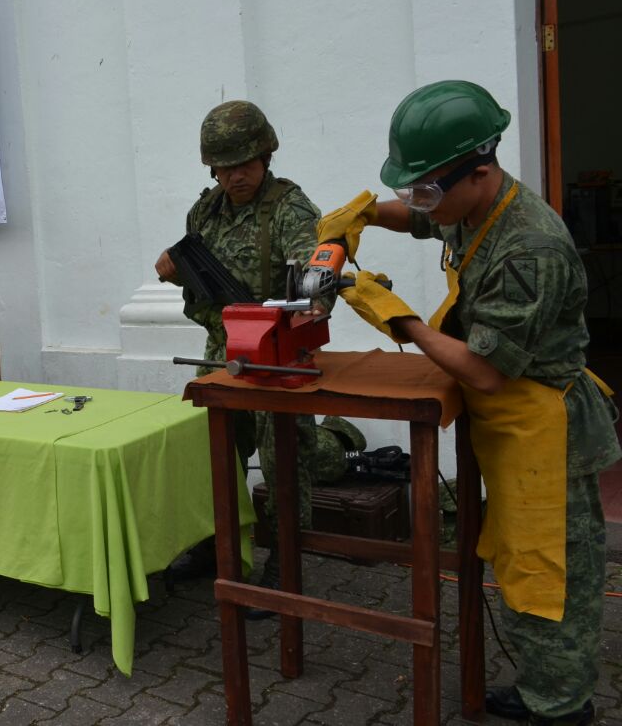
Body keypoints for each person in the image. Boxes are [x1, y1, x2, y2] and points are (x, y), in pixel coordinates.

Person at [325, 80, 618, 726]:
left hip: (544, 423)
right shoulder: (474, 206)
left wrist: (395, 316)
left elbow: (484, 370)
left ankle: (562, 705)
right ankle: (548, 685)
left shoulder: (528, 247)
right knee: (518, 558)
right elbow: (425, 219)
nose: (420, 203)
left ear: (479, 171)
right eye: (413, 189)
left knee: (548, 571)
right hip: (513, 420)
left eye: (427, 188)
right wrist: (369, 213)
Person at [153, 101, 331, 609]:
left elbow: (317, 286)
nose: (236, 176)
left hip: (279, 358)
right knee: (218, 457)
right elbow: (195, 266)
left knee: (284, 463)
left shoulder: (291, 210)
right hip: (223, 352)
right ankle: (217, 547)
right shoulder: (205, 210)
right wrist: (171, 265)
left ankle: (288, 562)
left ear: (265, 156)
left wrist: (309, 306)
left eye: (245, 165)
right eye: (225, 168)